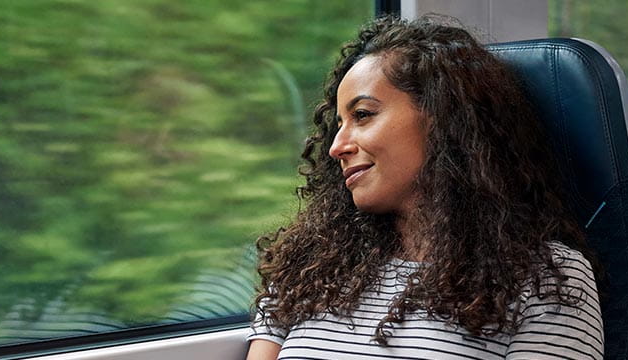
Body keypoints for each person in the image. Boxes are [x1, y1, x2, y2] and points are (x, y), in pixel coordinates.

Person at [247, 16, 603, 360]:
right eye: (339, 125)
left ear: (442, 118)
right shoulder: (308, 268)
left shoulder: (547, 279)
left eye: (363, 115)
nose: (336, 147)